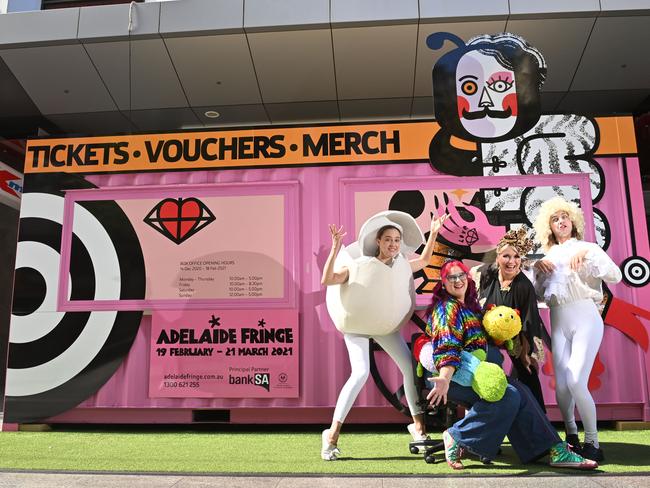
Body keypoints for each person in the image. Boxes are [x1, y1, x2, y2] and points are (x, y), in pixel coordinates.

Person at [424, 260, 598, 470]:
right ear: (443, 284)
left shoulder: (471, 308)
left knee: (521, 390)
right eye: (451, 277)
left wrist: (521, 351)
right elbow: (447, 345)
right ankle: (456, 436)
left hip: (479, 375)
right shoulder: (447, 309)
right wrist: (444, 377)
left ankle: (553, 449)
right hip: (452, 377)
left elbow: (489, 338)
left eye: (461, 275)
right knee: (508, 395)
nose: (458, 280)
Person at [320, 211, 447, 461]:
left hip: (386, 328)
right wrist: (335, 249)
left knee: (410, 368)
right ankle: (332, 434)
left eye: (397, 240)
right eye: (388, 239)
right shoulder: (358, 264)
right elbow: (328, 279)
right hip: (356, 326)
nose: (393, 244)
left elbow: (423, 260)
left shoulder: (400, 264)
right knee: (360, 373)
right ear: (377, 241)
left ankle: (418, 428)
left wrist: (433, 233)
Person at [533, 197, 622, 462]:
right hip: (558, 318)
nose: (561, 221)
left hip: (585, 315)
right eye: (555, 218)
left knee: (575, 381)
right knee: (561, 386)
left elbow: (615, 276)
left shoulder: (588, 247)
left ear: (573, 220)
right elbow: (538, 295)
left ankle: (592, 442)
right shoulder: (545, 256)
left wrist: (589, 255)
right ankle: (571, 434)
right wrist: (537, 270)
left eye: (564, 216)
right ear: (548, 225)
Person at [470, 227, 550, 410]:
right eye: (506, 256)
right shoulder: (484, 275)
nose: (511, 261)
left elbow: (530, 322)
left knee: (528, 370)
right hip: (485, 332)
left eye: (516, 257)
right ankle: (477, 414)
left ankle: (539, 419)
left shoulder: (524, 286)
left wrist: (529, 354)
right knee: (480, 367)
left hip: (514, 334)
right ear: (497, 257)